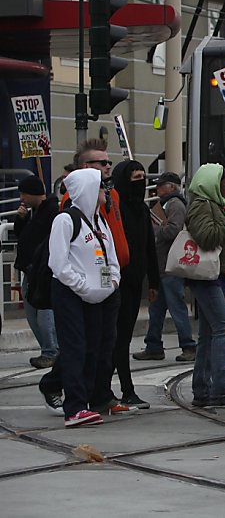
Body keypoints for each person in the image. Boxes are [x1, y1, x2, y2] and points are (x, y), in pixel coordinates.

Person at [48, 168, 120, 426]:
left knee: (95, 347)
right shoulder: (65, 220)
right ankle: (74, 407)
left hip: (98, 294)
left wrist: (112, 281)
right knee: (75, 347)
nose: (105, 191)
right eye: (100, 186)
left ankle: (86, 402)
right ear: (87, 189)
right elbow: (58, 263)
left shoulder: (100, 220)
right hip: (70, 294)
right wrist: (82, 286)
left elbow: (110, 255)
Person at [185, 163, 225, 407]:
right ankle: (219, 388)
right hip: (207, 276)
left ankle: (202, 388)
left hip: (216, 275)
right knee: (223, 329)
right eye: (224, 180)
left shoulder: (213, 205)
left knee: (209, 333)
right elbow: (208, 237)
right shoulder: (202, 206)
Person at [109, 160, 162, 410]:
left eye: (143, 176)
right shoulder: (114, 208)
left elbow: (149, 247)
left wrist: (153, 281)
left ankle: (120, 389)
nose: (140, 182)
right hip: (115, 283)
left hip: (134, 283)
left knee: (123, 338)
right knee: (113, 338)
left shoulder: (140, 209)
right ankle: (117, 389)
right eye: (135, 177)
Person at [135, 172, 196, 362]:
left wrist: (154, 229)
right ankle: (153, 345)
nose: (157, 189)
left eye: (161, 186)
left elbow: (173, 230)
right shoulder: (166, 204)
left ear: (172, 187)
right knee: (156, 308)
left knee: (176, 307)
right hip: (163, 265)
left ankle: (188, 346)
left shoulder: (175, 205)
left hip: (170, 266)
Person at [13, 175, 60, 369]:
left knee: (44, 314)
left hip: (43, 271)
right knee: (33, 314)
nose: (22, 198)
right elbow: (23, 236)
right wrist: (21, 219)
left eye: (25, 193)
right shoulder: (34, 213)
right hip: (30, 270)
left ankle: (51, 351)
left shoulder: (50, 211)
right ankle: (48, 349)